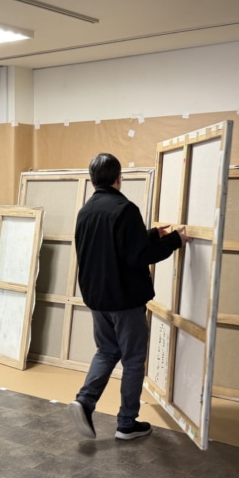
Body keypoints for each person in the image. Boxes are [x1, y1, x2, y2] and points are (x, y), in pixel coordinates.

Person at [68, 152, 190, 440]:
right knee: (133, 359)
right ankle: (126, 423)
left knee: (106, 351)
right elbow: (138, 256)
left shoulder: (86, 211)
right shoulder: (125, 209)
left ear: (92, 179)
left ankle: (84, 401)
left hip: (98, 299)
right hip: (124, 300)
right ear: (118, 178)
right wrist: (175, 240)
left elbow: (115, 245)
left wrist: (152, 234)